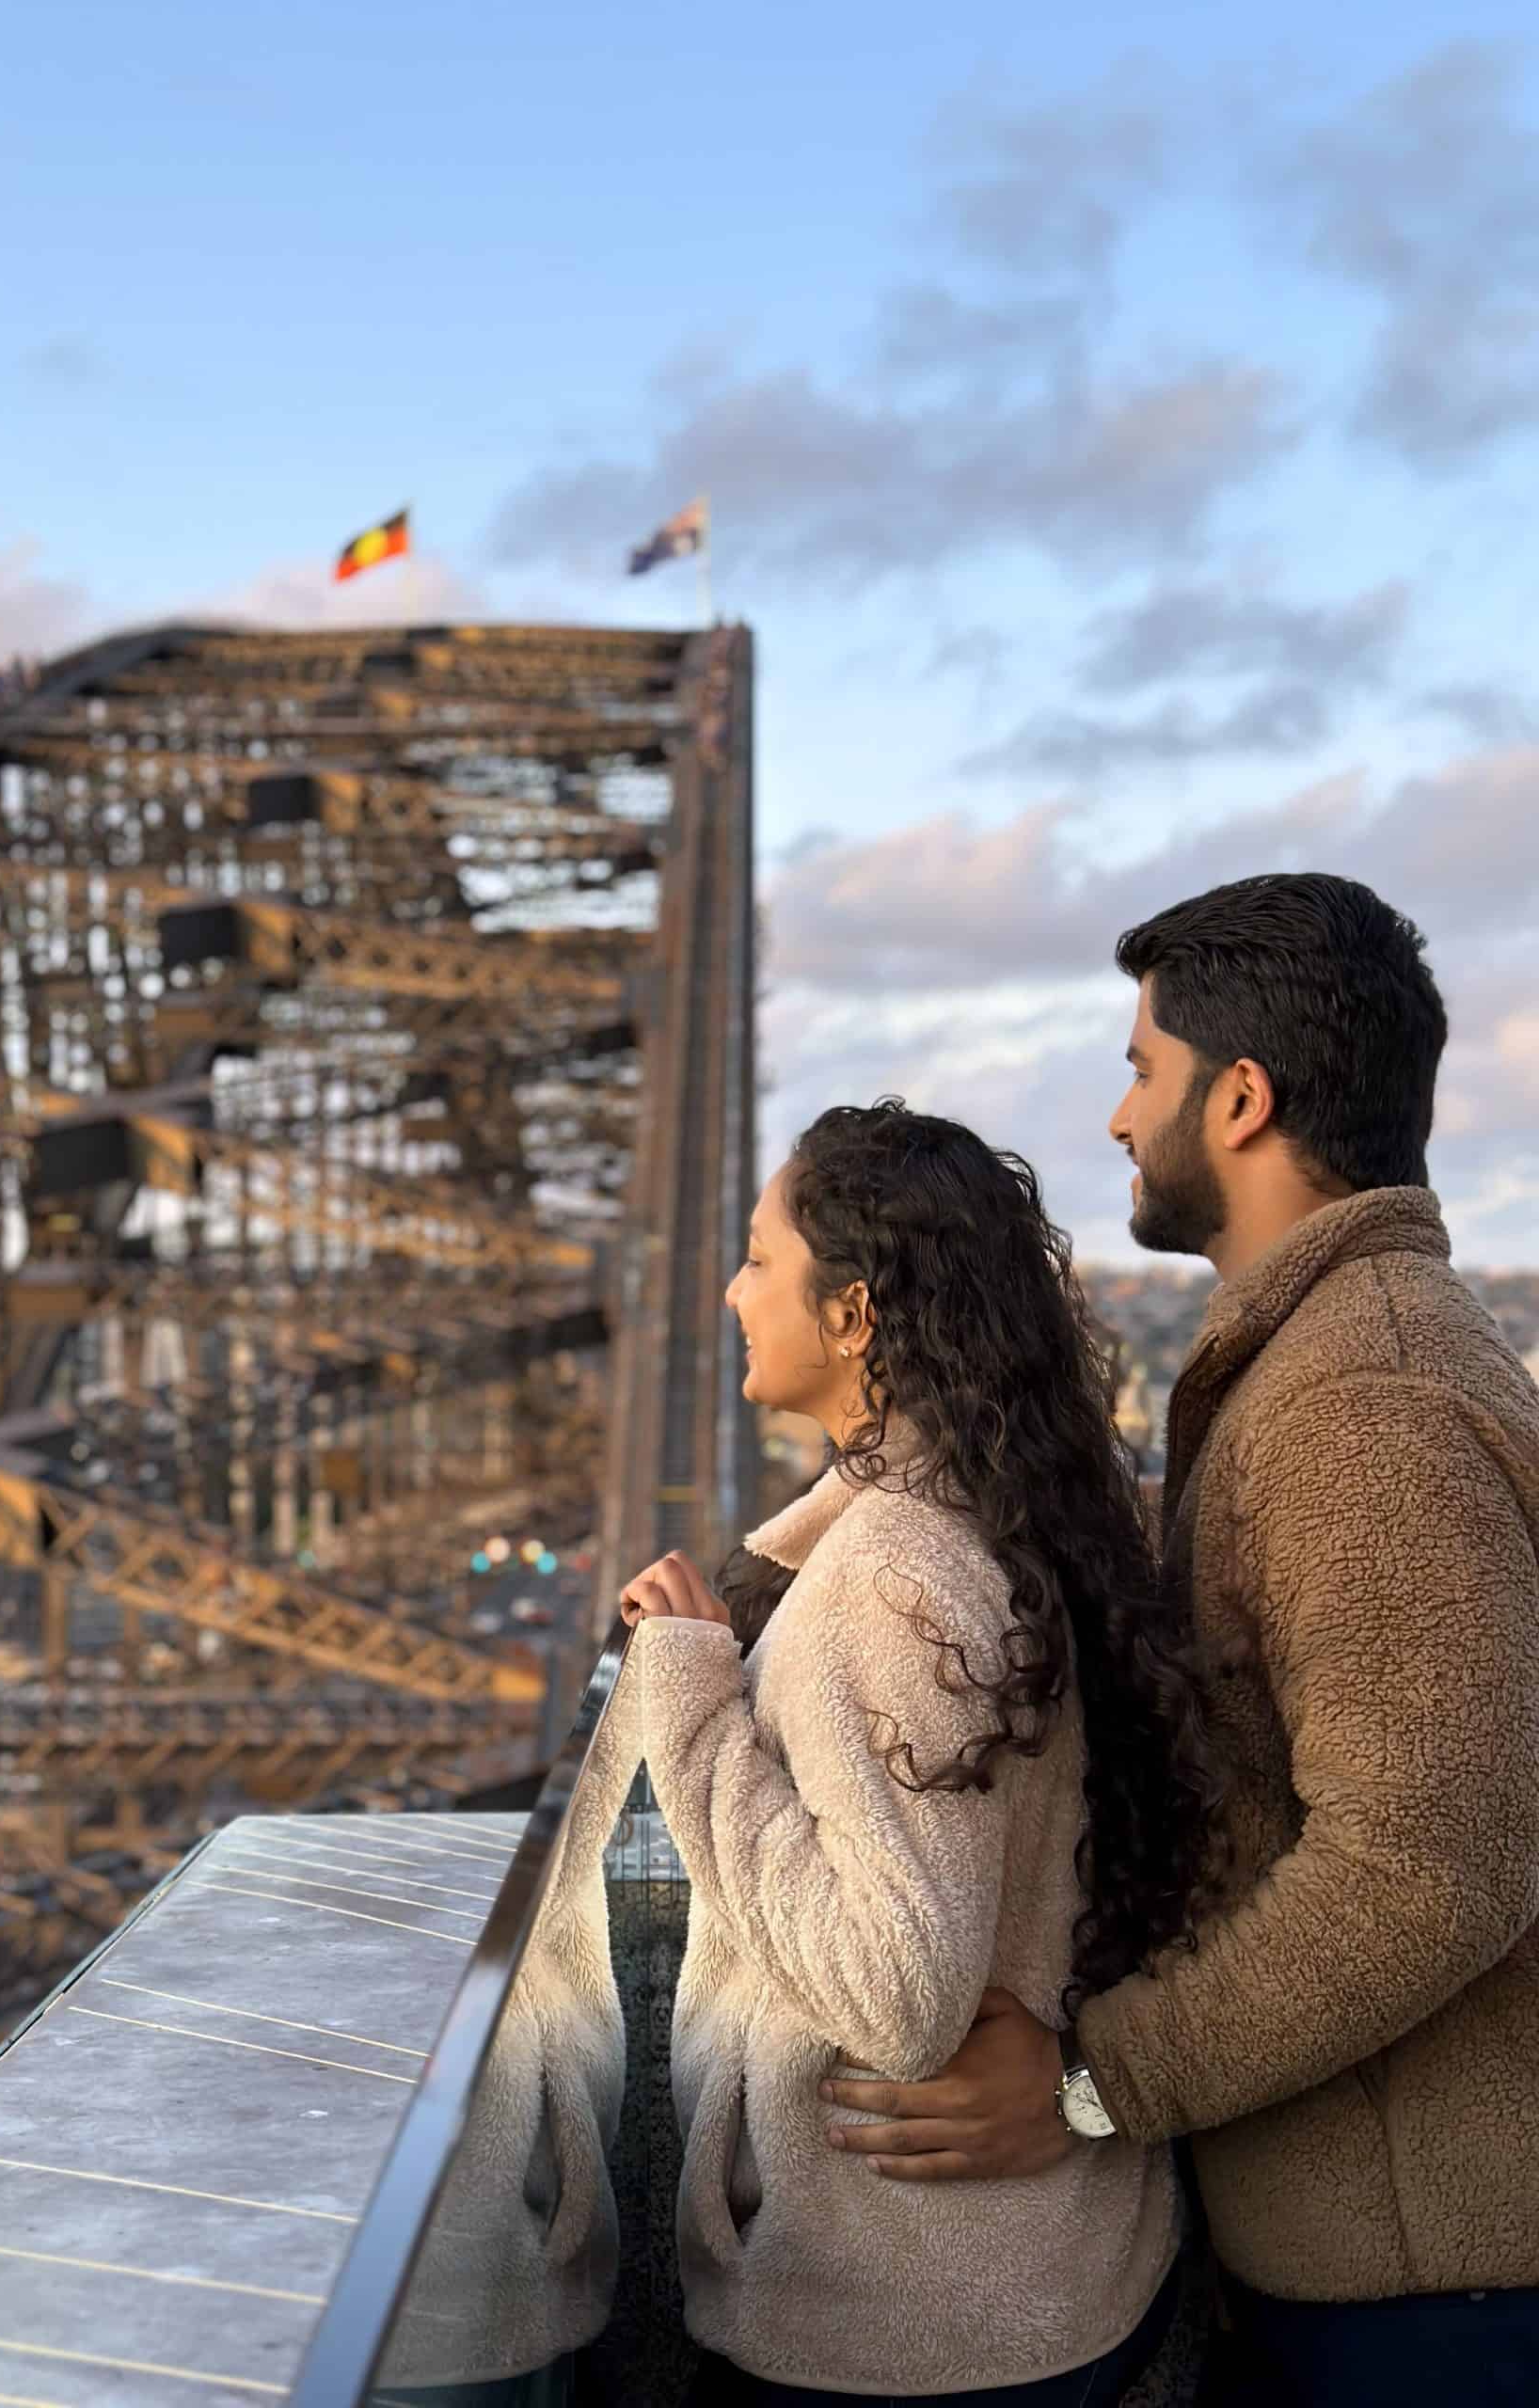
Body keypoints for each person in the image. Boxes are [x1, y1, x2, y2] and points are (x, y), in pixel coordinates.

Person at [820, 874, 1539, 2405]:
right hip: (1390, 2268)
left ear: (1242, 1101)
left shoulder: (1362, 1406)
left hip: (1433, 2303)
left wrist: (1092, 2085)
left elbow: (1434, 1865)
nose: (1115, 1119)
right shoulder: (1317, 1367)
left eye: (1143, 1070)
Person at [616, 1101, 1221, 2402]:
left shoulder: (898, 1574)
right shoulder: (994, 1510)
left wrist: (695, 1706)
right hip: (1041, 2275)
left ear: (853, 1314)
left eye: (762, 1259)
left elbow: (898, 1999)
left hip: (908, 2324)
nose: (731, 1288)